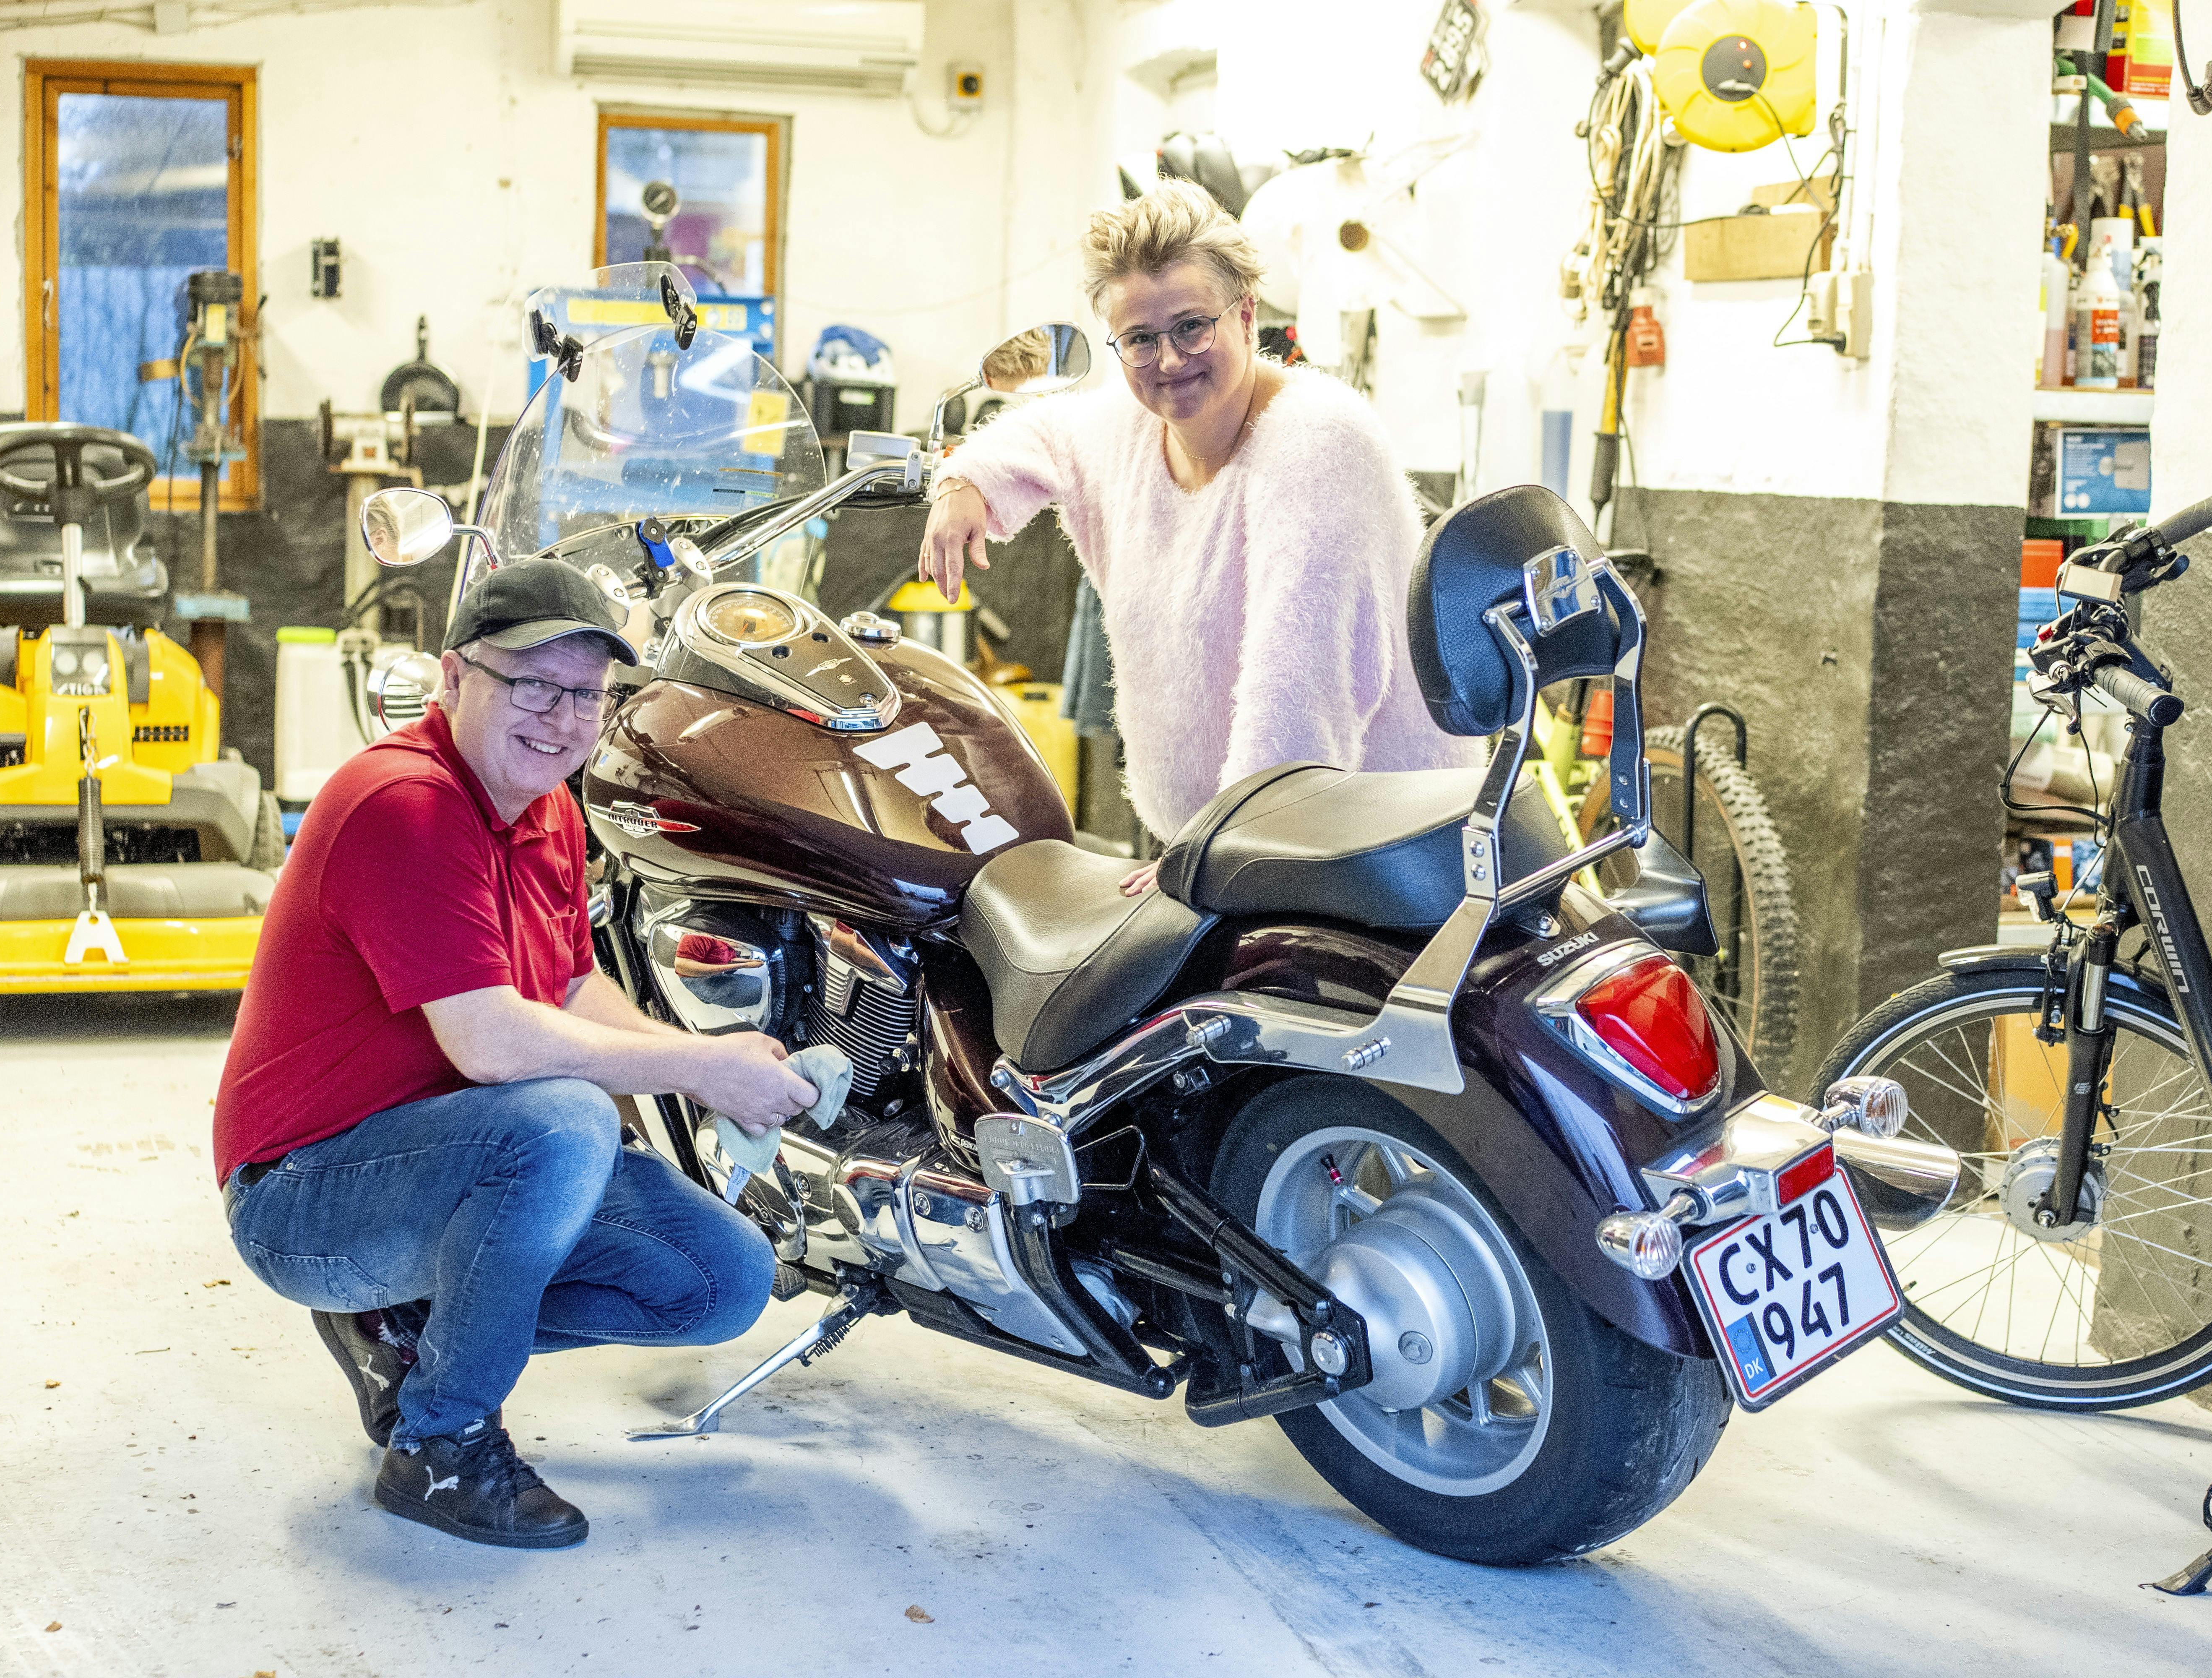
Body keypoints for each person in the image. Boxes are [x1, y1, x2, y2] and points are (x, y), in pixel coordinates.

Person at [213, 558, 818, 1551]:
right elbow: (491, 1042)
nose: (563, 716)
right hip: (305, 1193)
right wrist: (702, 1073)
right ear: (454, 679)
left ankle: (405, 1332)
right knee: (566, 1117)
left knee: (722, 1277)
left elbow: (574, 987)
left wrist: (717, 1055)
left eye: (587, 694)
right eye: (531, 683)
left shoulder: (545, 810)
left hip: (457, 1157)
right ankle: (441, 1441)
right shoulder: (402, 802)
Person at [918, 182, 1477, 889]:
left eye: (1192, 327)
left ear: (1245, 315)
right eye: (1141, 340)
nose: (1171, 360)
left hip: (1368, 856)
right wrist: (964, 482)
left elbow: (1299, 689)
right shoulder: (1131, 424)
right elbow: (1051, 431)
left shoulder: (1318, 443)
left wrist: (1221, 856)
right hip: (1243, 849)